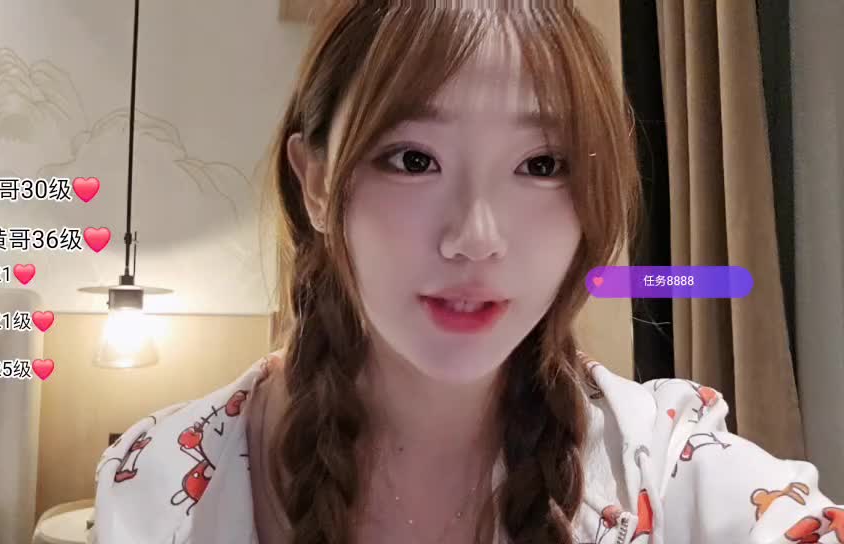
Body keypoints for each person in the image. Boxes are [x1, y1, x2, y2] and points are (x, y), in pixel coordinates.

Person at [87, 2, 844, 543]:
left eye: (541, 165)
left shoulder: (668, 466)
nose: (476, 240)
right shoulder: (165, 480)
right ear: (315, 181)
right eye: (413, 159)